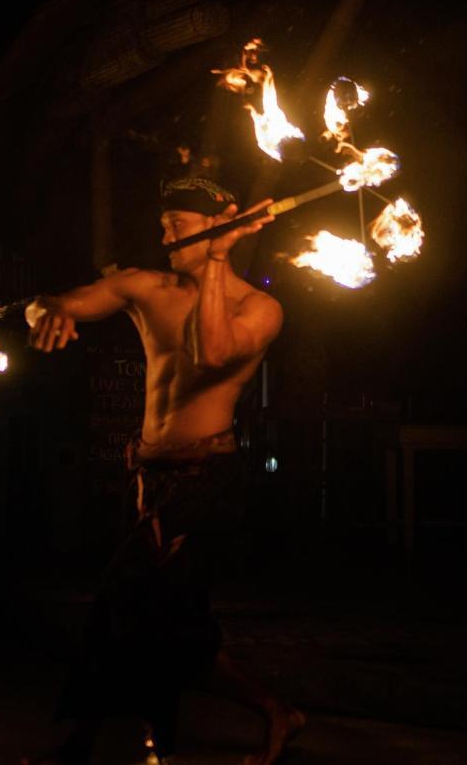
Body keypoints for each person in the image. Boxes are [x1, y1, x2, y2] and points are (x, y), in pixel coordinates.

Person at [22, 178, 305, 765]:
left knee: (123, 603)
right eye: (165, 223)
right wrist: (45, 310)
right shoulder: (148, 287)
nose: (165, 234)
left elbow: (212, 355)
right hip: (149, 479)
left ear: (219, 225)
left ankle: (97, 745)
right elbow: (68, 298)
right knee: (170, 624)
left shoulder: (260, 308)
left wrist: (221, 263)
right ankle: (271, 713)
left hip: (206, 482)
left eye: (179, 224)